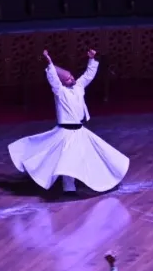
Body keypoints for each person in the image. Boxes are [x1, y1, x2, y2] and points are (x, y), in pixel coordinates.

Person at [7, 49, 129, 194]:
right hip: (65, 132)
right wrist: (49, 63)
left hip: (80, 131)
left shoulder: (79, 87)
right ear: (63, 82)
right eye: (69, 79)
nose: (72, 79)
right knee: (67, 160)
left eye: (71, 76)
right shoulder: (60, 91)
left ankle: (97, 178)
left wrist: (91, 59)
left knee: (96, 154)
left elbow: (88, 75)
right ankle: (69, 188)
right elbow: (53, 79)